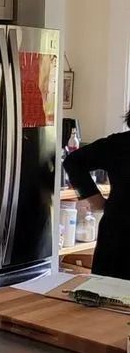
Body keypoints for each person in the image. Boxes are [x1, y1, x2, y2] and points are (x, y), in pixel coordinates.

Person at [64, 109, 130, 277]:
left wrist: (94, 199)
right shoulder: (120, 144)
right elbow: (73, 162)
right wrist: (94, 198)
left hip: (117, 234)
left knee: (105, 294)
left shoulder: (119, 144)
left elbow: (73, 162)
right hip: (119, 237)